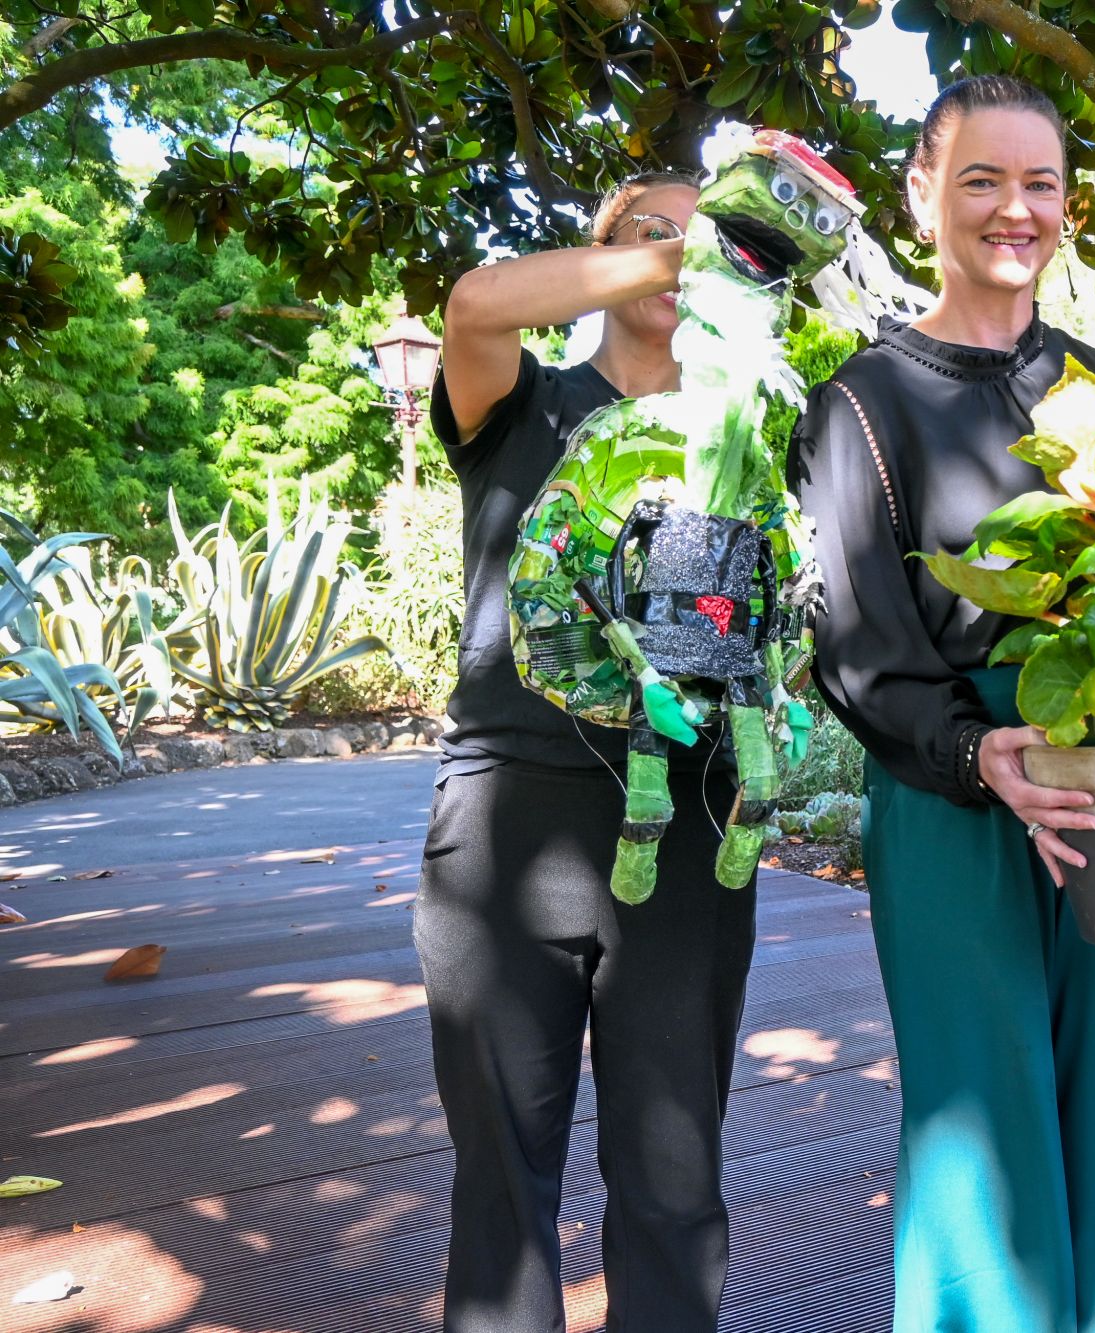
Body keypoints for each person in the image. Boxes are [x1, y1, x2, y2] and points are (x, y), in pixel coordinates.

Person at [793, 75, 1095, 1333]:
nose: (1014, 209)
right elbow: (853, 637)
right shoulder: (860, 406)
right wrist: (970, 753)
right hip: (951, 800)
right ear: (921, 195)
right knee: (979, 1112)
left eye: (1039, 183)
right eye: (981, 180)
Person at [417, 171, 757, 1333]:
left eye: (704, 235)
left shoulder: (744, 437)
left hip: (686, 832)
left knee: (674, 1181)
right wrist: (695, 258)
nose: (679, 253)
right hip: (507, 820)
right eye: (650, 232)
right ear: (604, 254)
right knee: (504, 1178)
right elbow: (474, 305)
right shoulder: (527, 400)